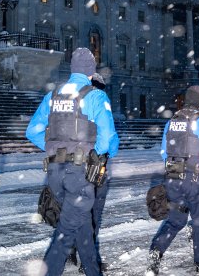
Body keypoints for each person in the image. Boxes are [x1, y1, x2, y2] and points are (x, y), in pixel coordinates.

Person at [26, 48, 118, 276]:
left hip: (55, 171)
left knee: (82, 224)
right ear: (91, 70)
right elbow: (108, 139)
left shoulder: (53, 95)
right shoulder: (95, 95)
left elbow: (33, 131)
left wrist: (53, 148)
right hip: (79, 172)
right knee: (66, 232)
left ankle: (93, 271)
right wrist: (95, 153)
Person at [146, 85, 199, 275]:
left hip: (173, 180)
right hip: (197, 182)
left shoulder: (172, 122)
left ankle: (156, 251)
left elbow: (163, 152)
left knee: (175, 220)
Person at [67, 72, 118, 274]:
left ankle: (71, 248)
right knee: (93, 213)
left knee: (77, 210)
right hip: (96, 167)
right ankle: (87, 262)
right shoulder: (99, 100)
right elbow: (109, 138)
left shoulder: (74, 100)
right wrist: (105, 152)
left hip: (73, 165)